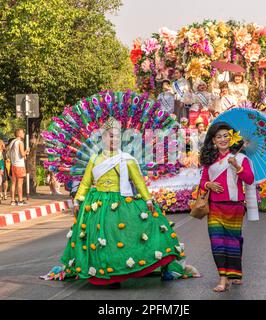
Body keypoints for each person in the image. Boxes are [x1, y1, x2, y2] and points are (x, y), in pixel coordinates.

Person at [40, 117, 199, 287]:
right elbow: (86, 183)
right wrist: (78, 201)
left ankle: (126, 271)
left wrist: (147, 199)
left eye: (116, 136)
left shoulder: (126, 159)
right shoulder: (94, 159)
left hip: (120, 202)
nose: (113, 139)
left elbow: (138, 182)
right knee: (102, 240)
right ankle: (106, 273)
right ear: (102, 137)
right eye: (110, 136)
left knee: (124, 238)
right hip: (97, 204)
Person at [199, 122, 258, 292]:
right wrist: (209, 184)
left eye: (226, 136)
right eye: (219, 136)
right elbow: (202, 182)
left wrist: (238, 167)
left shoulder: (240, 159)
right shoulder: (209, 161)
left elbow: (249, 179)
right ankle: (223, 279)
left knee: (233, 242)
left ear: (231, 138)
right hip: (215, 207)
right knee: (217, 242)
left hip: (235, 207)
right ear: (213, 141)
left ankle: (235, 273)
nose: (223, 139)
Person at [7, 129, 29, 206]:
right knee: (20, 183)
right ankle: (20, 200)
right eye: (23, 132)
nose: (24, 133)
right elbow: (22, 154)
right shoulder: (20, 142)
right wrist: (26, 151)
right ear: (19, 134)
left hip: (13, 165)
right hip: (19, 165)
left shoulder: (12, 143)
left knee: (13, 183)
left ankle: (12, 200)